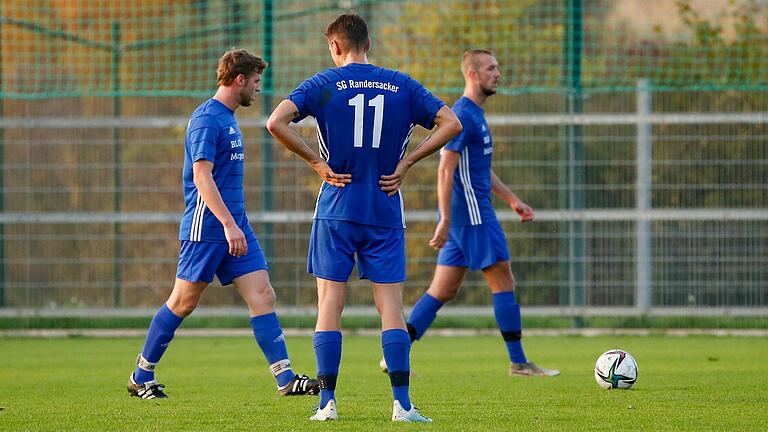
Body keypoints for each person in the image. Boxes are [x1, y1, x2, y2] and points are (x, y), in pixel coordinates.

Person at [267, 13, 462, 423]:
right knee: (390, 308)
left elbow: (276, 121)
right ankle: (403, 406)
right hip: (384, 207)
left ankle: (327, 406)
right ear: (368, 42)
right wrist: (408, 160)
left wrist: (316, 163)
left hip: (336, 208)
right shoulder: (402, 84)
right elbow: (451, 123)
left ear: (335, 46)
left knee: (329, 305)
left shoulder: (323, 84)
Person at [126, 49, 319, 399]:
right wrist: (229, 225)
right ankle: (141, 375)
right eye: (256, 82)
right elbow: (202, 177)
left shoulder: (227, 117)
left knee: (263, 294)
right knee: (183, 301)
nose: (259, 89)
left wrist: (236, 224)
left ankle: (285, 378)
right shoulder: (207, 119)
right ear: (240, 80)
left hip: (234, 224)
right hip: (209, 226)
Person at [382, 49, 559, 378]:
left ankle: (394, 354)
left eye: (498, 67)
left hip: (470, 216)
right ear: (473, 75)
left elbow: (479, 169)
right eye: (491, 68)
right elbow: (446, 169)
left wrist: (512, 200)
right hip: (474, 216)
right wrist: (445, 218)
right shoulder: (462, 114)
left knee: (443, 290)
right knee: (503, 278)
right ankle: (519, 362)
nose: (498, 74)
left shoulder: (475, 113)